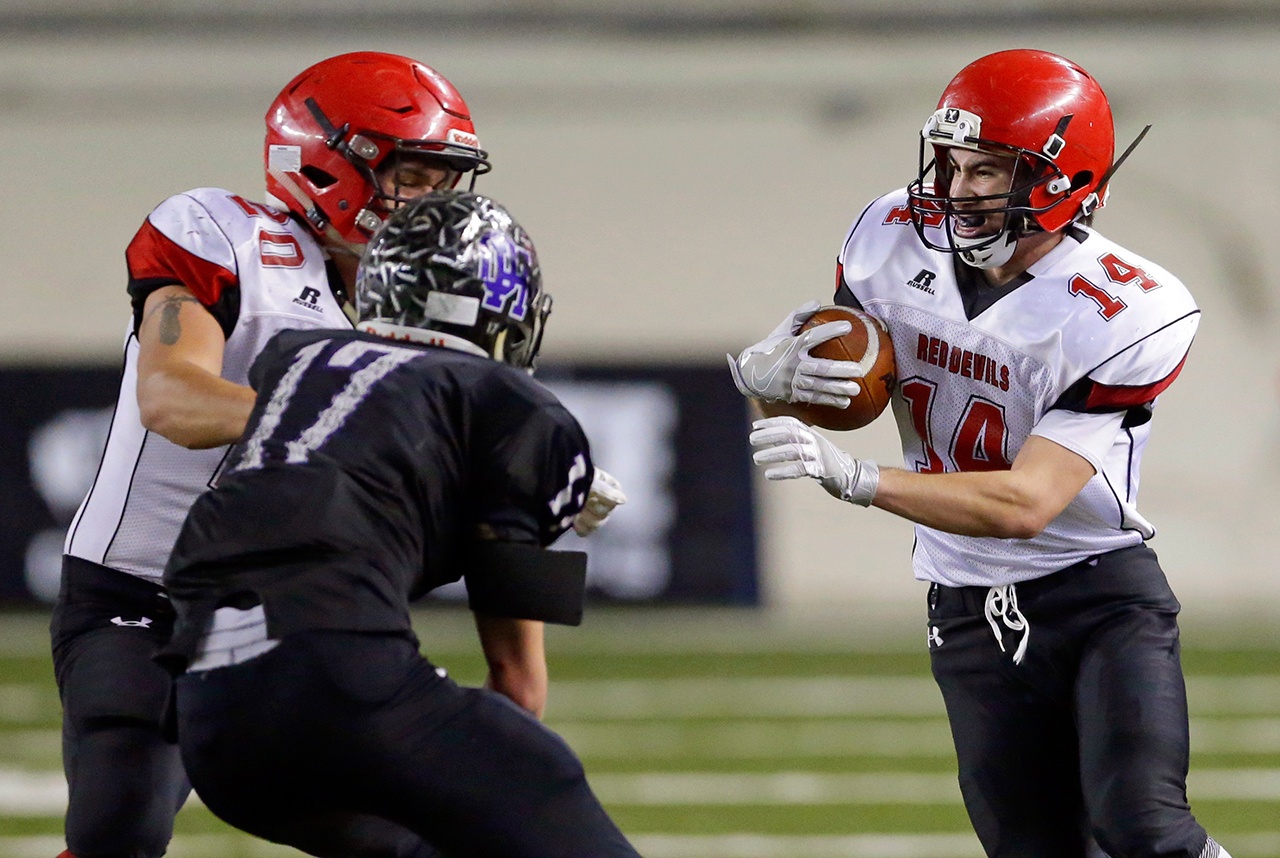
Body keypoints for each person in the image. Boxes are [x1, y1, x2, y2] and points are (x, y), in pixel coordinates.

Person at [730, 49, 1231, 858]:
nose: (958, 189)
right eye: (953, 164)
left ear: (1063, 180)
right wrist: (771, 382)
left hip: (1097, 596)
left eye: (988, 169)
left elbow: (1028, 503)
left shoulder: (1128, 307)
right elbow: (844, 389)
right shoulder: (890, 236)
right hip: (961, 598)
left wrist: (857, 480)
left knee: (1145, 830)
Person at [53, 51, 501, 858]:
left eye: (443, 181)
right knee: (120, 823)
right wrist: (353, 420)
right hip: (141, 598)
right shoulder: (225, 236)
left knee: (422, 836)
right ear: (327, 164)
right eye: (411, 175)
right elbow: (173, 398)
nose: (431, 203)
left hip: (290, 618)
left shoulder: (426, 300)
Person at [155, 190, 639, 858]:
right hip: (335, 674)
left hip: (207, 714)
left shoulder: (296, 360)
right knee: (544, 782)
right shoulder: (513, 406)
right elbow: (518, 684)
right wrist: (541, 487)